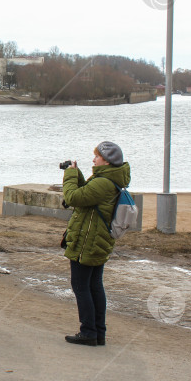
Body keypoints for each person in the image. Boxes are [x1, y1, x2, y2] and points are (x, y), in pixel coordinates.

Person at [62, 141, 131, 346]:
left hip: (88, 241)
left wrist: (70, 175)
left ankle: (89, 332)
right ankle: (98, 332)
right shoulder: (108, 179)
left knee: (81, 286)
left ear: (107, 162)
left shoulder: (103, 182)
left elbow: (73, 197)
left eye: (97, 157)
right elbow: (87, 194)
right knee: (94, 286)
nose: (94, 159)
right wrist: (78, 174)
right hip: (98, 239)